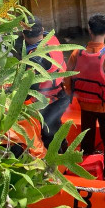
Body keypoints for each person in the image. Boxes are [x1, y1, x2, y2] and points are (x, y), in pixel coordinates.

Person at [65, 14, 105, 182]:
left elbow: (67, 78)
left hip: (85, 105)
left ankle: (85, 170)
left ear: (89, 30)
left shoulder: (77, 53)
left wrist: (71, 94)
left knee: (87, 139)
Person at [17, 18, 68, 147]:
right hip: (62, 94)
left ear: (23, 35)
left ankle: (56, 161)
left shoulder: (34, 58)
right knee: (56, 128)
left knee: (48, 135)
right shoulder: (52, 39)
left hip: (48, 102)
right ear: (43, 30)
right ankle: (63, 145)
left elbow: (29, 90)